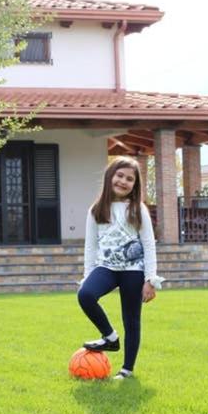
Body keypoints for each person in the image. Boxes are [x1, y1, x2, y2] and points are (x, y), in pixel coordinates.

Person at [77, 156, 164, 379]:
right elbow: (90, 246)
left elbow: (148, 244)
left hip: (133, 270)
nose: (123, 181)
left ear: (135, 185)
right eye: (120, 175)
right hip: (106, 267)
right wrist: (88, 276)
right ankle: (110, 338)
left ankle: (127, 370)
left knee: (132, 319)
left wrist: (150, 279)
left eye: (130, 179)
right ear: (110, 176)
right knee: (85, 295)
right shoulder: (96, 209)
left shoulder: (138, 209)